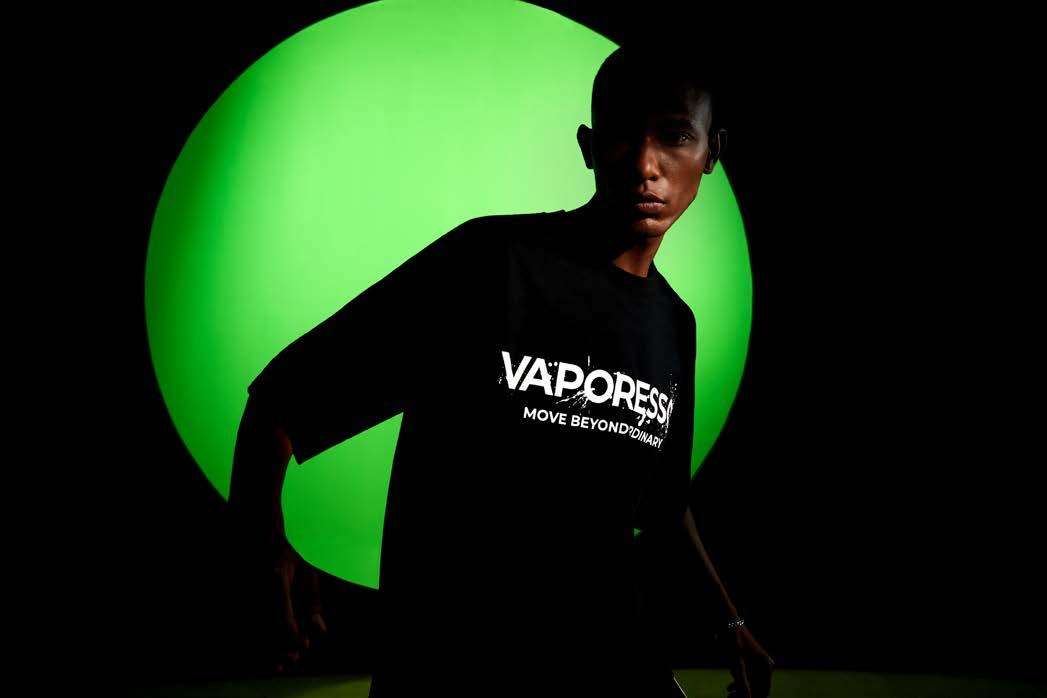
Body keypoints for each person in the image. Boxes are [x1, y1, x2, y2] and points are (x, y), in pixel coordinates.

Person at [229, 40, 775, 697]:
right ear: (587, 147)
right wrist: (261, 548)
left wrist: (727, 619)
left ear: (712, 152)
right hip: (455, 671)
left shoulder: (674, 325)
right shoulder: (490, 263)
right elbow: (281, 404)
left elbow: (662, 509)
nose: (645, 165)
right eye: (622, 136)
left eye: (675, 137)